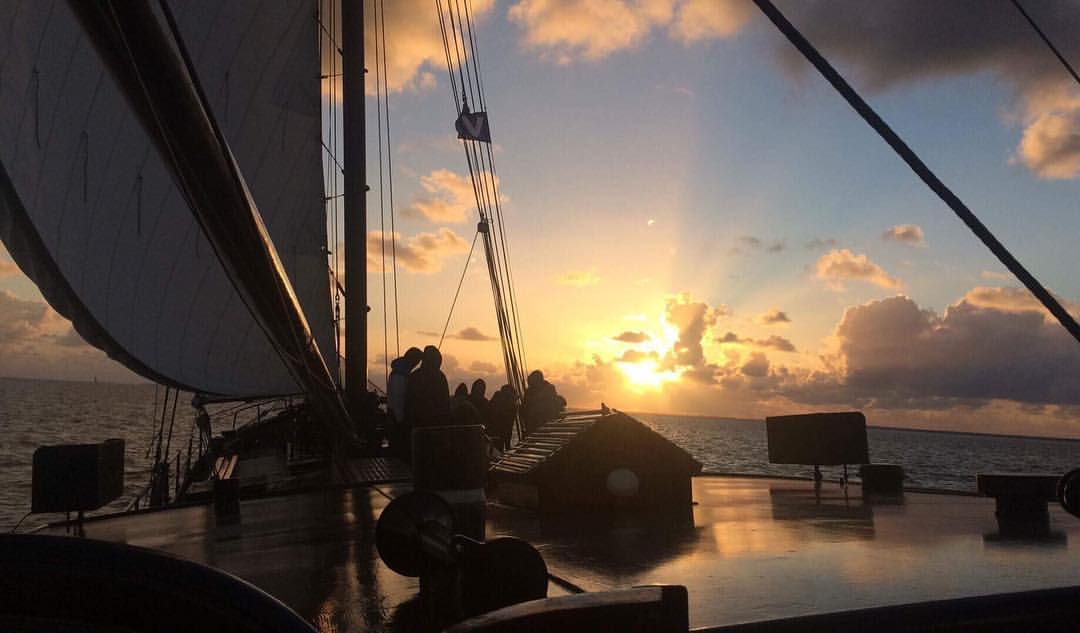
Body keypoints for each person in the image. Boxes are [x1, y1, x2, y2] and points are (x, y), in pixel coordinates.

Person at [387, 347, 422, 457]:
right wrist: (401, 421)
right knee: (399, 454)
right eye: (417, 361)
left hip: (395, 419)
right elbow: (398, 400)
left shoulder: (400, 372)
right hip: (397, 421)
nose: (417, 364)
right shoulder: (400, 376)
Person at [406, 345, 451, 430]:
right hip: (435, 427)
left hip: (417, 427)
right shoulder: (441, 377)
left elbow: (409, 403)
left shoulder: (414, 376)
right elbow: (446, 405)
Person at [520, 370, 565, 437]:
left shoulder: (548, 389)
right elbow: (524, 408)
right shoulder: (529, 391)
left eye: (532, 381)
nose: (529, 384)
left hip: (547, 423)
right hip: (533, 425)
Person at [487, 384, 517, 451]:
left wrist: (507, 446)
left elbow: (509, 428)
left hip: (496, 434)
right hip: (493, 434)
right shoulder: (496, 403)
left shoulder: (512, 407)